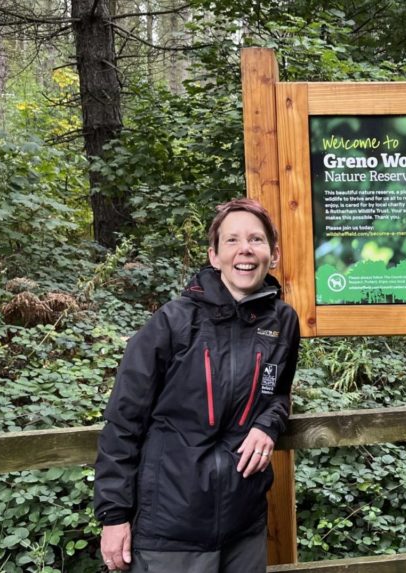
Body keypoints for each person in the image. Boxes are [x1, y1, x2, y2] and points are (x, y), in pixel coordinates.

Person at [94, 198, 301, 572]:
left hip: (244, 526)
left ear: (273, 254)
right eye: (232, 240)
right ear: (214, 255)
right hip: (172, 529)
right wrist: (113, 515)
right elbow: (123, 421)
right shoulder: (174, 323)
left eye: (256, 240)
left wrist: (267, 426)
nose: (245, 250)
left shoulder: (282, 322)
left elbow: (279, 393)